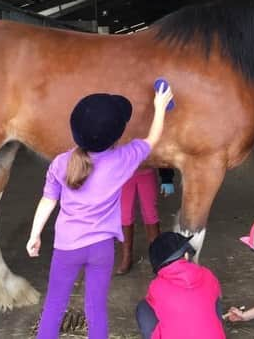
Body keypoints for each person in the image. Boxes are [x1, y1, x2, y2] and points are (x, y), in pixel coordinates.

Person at [26, 83, 174, 339]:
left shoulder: (61, 163)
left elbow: (47, 201)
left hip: (67, 247)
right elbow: (152, 139)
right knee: (96, 310)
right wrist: (160, 107)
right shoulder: (122, 160)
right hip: (101, 249)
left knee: (53, 307)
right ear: (116, 136)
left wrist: (34, 235)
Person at [135, 231, 225, 339]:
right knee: (214, 298)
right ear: (186, 255)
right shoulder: (207, 274)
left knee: (144, 307)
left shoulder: (157, 286)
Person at [116, 167, 175, 275]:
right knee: (125, 215)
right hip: (124, 173)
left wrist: (167, 178)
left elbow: (162, 151)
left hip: (147, 171)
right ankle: (126, 257)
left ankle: (157, 256)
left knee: (150, 213)